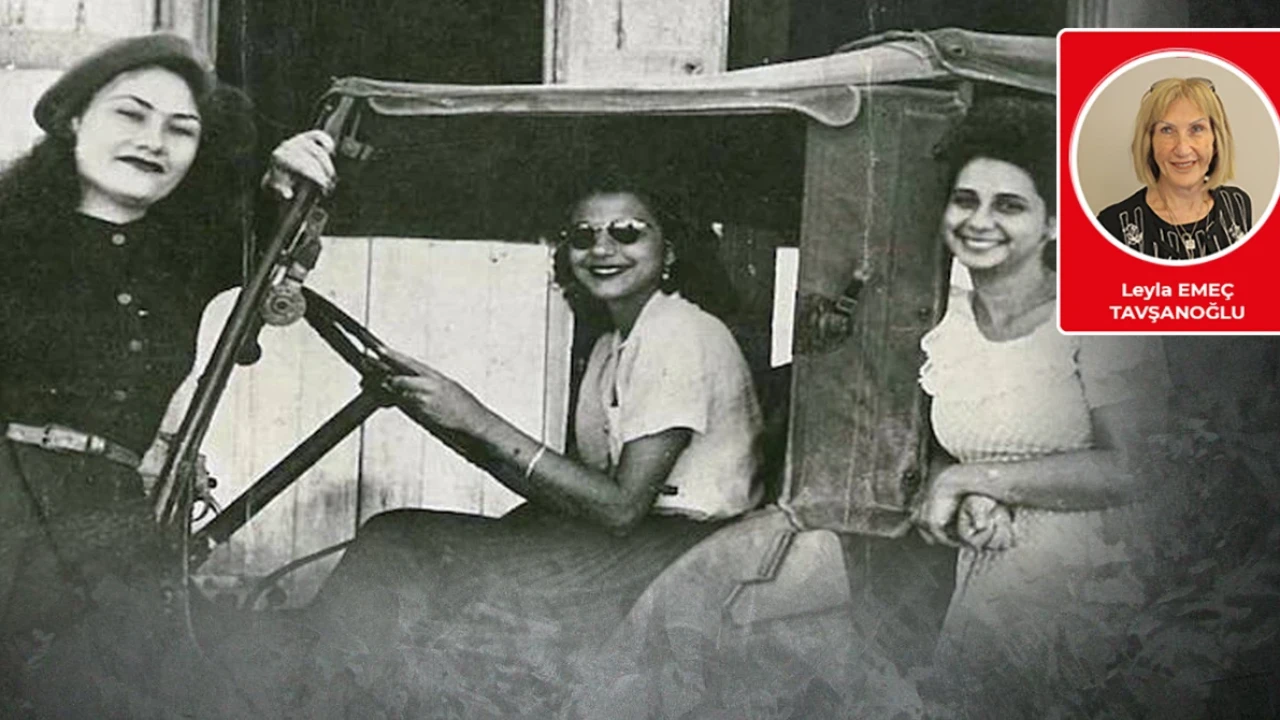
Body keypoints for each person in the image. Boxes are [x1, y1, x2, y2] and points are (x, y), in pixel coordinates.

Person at [296, 179, 764, 715]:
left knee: (396, 545)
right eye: (583, 236)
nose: (602, 249)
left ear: (669, 251)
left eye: (627, 233)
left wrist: (475, 418)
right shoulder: (615, 344)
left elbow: (620, 508)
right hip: (633, 540)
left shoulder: (681, 334)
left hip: (679, 553)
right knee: (410, 544)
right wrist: (453, 420)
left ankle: (314, 698)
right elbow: (574, 489)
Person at [0, 32, 335, 714]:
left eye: (181, 129)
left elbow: (279, 233)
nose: (153, 141)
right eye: (130, 114)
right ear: (73, 120)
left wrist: (282, 177)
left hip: (114, 524)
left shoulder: (188, 255)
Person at [913, 96, 1171, 717]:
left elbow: (1136, 467)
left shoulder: (1100, 315)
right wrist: (973, 494)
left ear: (1053, 222)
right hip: (990, 580)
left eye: (1009, 205)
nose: (979, 221)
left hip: (1098, 589)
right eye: (965, 200)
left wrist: (973, 480)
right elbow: (956, 448)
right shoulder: (949, 323)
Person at [1096, 77, 1251, 261]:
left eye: (1197, 129)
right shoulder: (1113, 225)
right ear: (1149, 142)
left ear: (1216, 140)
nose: (1182, 149)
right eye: (1167, 130)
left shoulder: (1237, 205)